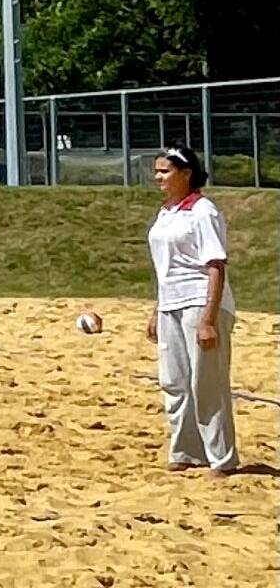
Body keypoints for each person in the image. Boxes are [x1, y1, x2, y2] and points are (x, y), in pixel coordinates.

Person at [147, 145, 238, 475]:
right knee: (174, 381)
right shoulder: (167, 211)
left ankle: (222, 458)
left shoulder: (203, 210)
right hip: (171, 302)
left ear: (186, 174)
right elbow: (164, 267)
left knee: (207, 383)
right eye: (156, 171)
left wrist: (208, 319)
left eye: (165, 171)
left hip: (201, 301)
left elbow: (215, 264)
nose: (158, 177)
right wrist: (157, 309)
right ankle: (186, 450)